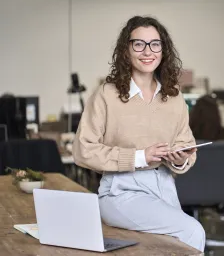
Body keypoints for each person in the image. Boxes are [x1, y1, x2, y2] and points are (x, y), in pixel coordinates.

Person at [72, 16, 205, 252]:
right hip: (121, 190)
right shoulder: (106, 94)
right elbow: (83, 151)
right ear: (126, 50)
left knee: (171, 247)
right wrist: (141, 157)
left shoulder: (174, 97)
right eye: (139, 44)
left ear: (163, 50)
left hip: (164, 186)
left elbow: (187, 146)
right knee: (192, 231)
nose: (148, 51)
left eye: (155, 44)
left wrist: (181, 159)